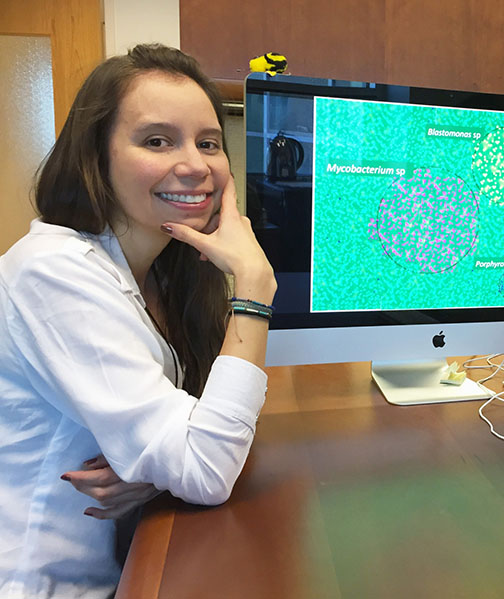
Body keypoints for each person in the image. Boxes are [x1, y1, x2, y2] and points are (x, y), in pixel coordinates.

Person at [0, 44, 277, 597]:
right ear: (95, 156)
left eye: (208, 143)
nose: (196, 165)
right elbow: (205, 465)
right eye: (157, 141)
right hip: (49, 584)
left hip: (130, 560)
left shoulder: (166, 271)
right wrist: (253, 289)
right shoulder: (52, 272)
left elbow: (209, 430)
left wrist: (148, 474)